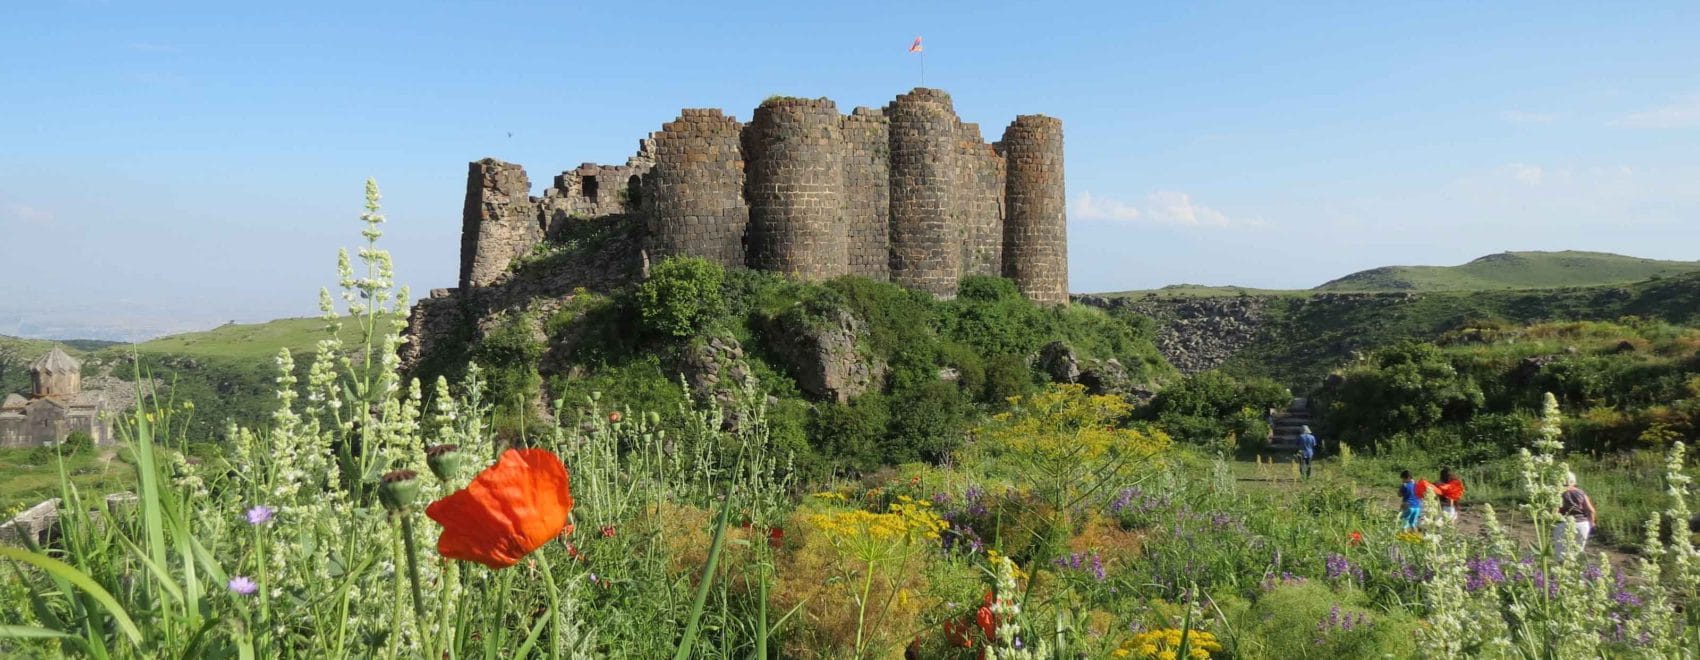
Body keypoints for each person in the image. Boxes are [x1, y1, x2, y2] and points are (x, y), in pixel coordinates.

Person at [1554, 473, 1596, 556]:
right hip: (1582, 525)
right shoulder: (1581, 492)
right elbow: (1591, 510)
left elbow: (1555, 511)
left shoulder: (1558, 493)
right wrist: (1592, 523)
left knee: (1561, 555)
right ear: (1574, 481)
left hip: (1563, 524)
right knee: (1578, 553)